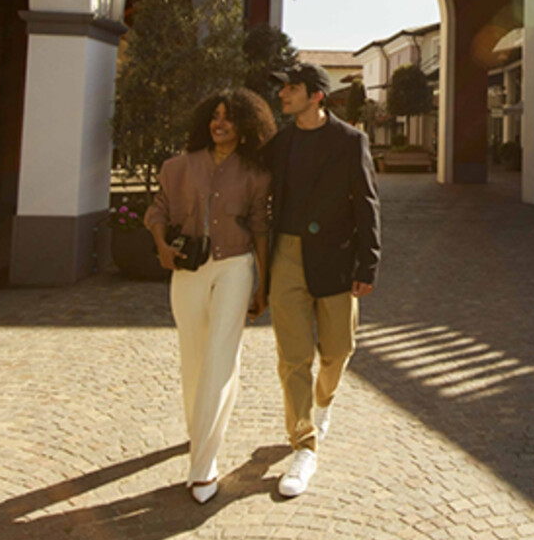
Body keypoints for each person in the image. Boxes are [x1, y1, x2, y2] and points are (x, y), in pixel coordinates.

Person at [145, 89, 276, 504]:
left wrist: (263, 283)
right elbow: (158, 211)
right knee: (194, 357)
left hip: (235, 268)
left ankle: (203, 464)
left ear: (245, 126)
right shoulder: (178, 167)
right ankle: (198, 434)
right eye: (215, 116)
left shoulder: (256, 174)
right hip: (188, 271)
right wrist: (162, 244)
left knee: (221, 357)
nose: (220, 123)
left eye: (230, 118)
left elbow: (260, 228)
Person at [265, 62, 380, 497]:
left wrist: (368, 264)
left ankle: (324, 401)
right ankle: (304, 445)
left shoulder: (351, 142)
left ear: (316, 95)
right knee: (293, 359)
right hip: (287, 258)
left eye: (291, 89)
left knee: (338, 350)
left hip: (335, 259)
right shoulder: (280, 143)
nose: (283, 95)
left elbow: (368, 204)